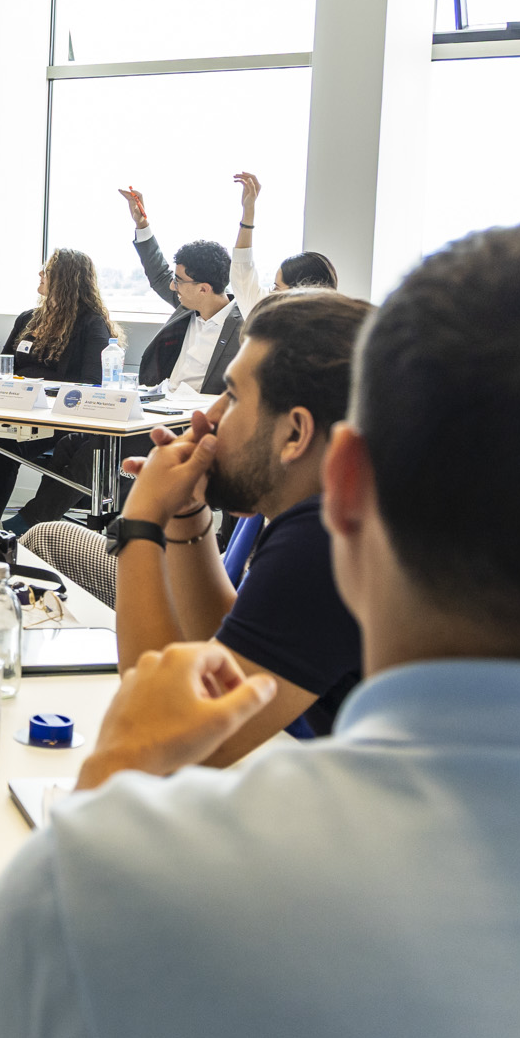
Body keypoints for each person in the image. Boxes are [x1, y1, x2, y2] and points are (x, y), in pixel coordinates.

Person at [0, 218, 520, 1038]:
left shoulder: (135, 872)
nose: (213, 416)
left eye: (229, 395)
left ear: (342, 481)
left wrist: (117, 784)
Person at [110, 289, 372, 760]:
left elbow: (168, 740)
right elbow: (218, 652)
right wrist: (186, 511)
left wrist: (140, 522)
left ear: (295, 433)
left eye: (230, 397)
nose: (206, 419)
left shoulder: (327, 536)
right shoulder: (339, 514)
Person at [0, 249, 119, 523]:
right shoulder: (28, 318)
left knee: (2, 440)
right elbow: (3, 368)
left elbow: (90, 384)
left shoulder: (91, 323)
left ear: (66, 279)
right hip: (12, 408)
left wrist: (36, 390)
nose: (40, 275)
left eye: (47, 271)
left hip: (52, 417)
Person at [119, 183, 243, 394]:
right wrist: (141, 224)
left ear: (204, 289)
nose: (172, 285)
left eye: (178, 281)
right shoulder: (187, 306)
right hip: (161, 403)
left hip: (200, 417)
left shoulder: (243, 326)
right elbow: (158, 274)